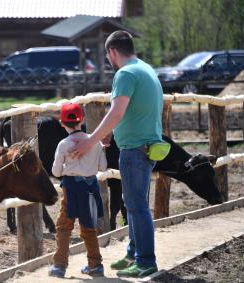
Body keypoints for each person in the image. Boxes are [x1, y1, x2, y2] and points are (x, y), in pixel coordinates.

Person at [71, 30, 163, 278]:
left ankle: (145, 261)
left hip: (135, 149)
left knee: (136, 206)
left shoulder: (125, 74)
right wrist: (112, 134)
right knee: (134, 204)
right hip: (146, 146)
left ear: (112, 52)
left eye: (107, 55)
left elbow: (116, 112)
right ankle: (134, 253)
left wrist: (91, 140)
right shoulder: (144, 68)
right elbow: (132, 110)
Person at [48, 102, 107, 278]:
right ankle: (95, 265)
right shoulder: (95, 142)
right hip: (90, 187)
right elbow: (103, 167)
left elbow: (56, 172)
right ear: (82, 120)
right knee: (89, 227)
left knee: (64, 226)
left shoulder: (63, 144)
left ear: (62, 123)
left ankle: (59, 266)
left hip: (71, 188)